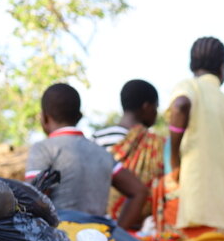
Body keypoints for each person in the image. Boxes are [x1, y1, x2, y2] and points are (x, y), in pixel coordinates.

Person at [25, 83, 149, 230]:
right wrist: (116, 232)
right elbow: (139, 191)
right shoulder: (101, 152)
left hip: (59, 238)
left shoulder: (43, 149)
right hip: (97, 237)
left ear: (44, 118)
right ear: (79, 117)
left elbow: (33, 200)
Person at [167, 37, 224, 236]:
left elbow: (180, 105)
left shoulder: (190, 86)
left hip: (194, 207)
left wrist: (175, 161)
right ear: (223, 68)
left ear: (191, 65)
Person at [93, 79, 166, 227]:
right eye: (156, 107)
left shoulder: (96, 139)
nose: (156, 113)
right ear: (146, 107)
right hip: (141, 228)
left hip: (98, 224)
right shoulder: (157, 145)